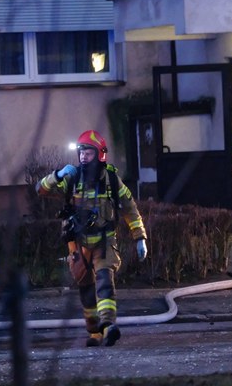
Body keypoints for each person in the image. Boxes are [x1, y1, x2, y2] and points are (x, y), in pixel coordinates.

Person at [36, 130, 148, 347]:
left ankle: (108, 326)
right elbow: (40, 189)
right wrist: (57, 175)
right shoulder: (72, 178)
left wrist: (140, 237)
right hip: (78, 245)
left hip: (104, 243)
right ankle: (94, 332)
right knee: (86, 290)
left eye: (88, 153)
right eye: (81, 153)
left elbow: (130, 209)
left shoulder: (112, 181)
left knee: (105, 283)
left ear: (100, 154)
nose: (83, 157)